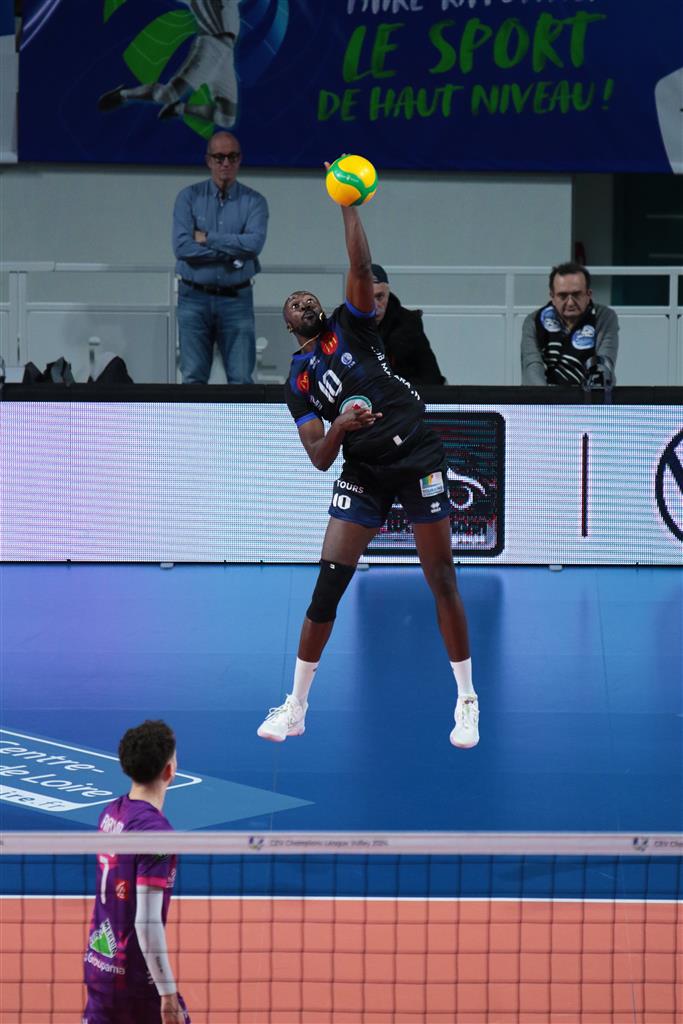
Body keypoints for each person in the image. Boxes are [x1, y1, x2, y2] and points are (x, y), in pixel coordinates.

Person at [256, 188, 478, 750]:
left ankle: (466, 701)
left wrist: (346, 205)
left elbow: (359, 265)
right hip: (364, 468)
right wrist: (340, 426)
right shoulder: (298, 382)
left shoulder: (350, 324)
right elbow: (319, 457)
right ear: (288, 324)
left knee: (442, 578)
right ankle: (296, 706)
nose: (303, 301)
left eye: (309, 297)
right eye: (294, 302)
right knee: (328, 584)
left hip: (417, 454)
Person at [83, 720, 190, 1024]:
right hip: (135, 980)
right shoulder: (156, 834)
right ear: (170, 770)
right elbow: (146, 922)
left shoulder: (110, 813)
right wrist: (167, 993)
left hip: (98, 963)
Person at [171, 132, 268, 384]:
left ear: (240, 159)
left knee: (241, 379)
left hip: (237, 299)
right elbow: (183, 248)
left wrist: (208, 237)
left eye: (232, 157)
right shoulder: (188, 197)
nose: (226, 163)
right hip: (193, 298)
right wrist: (232, 251)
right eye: (219, 157)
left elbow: (253, 245)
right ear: (208, 160)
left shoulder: (255, 202)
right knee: (193, 378)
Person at [98, 1, 241, 129]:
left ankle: (177, 109)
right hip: (210, 47)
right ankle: (124, 94)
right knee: (168, 95)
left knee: (226, 119)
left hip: (228, 55)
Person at [521, 262, 619, 387]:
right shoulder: (533, 320)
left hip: (589, 395)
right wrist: (547, 397)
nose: (570, 302)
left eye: (577, 295)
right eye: (563, 296)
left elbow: (603, 363)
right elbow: (532, 367)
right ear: (552, 297)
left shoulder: (604, 317)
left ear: (589, 295)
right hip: (544, 396)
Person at [371, 264, 446, 387]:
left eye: (379, 297)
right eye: (367, 298)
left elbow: (432, 377)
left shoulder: (408, 325)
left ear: (387, 295)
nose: (375, 306)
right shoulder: (345, 326)